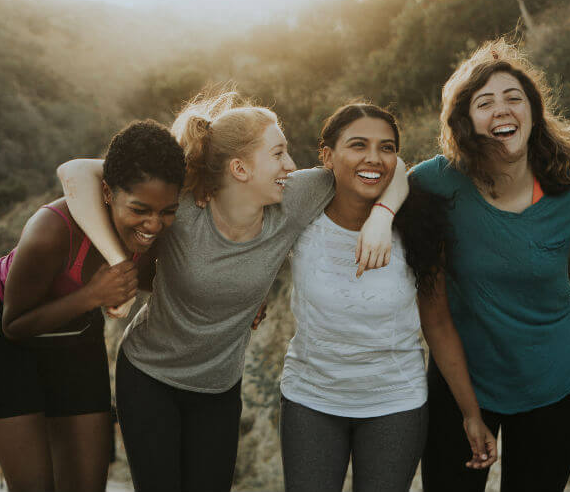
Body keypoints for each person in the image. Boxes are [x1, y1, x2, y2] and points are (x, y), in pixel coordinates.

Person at [56, 91, 406, 492]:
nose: (290, 166)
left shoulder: (294, 199)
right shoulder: (183, 205)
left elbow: (386, 168)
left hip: (219, 389)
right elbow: (75, 172)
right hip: (149, 377)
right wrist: (119, 262)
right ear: (239, 168)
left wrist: (382, 217)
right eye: (278, 154)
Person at [401, 41, 570, 491]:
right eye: (485, 102)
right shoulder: (438, 182)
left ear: (533, 112)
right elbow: (382, 176)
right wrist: (382, 217)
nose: (501, 110)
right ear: (464, 121)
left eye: (513, 98)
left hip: (553, 389)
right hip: (460, 380)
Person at [279, 102, 497, 492]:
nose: (374, 159)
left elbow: (438, 323)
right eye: (358, 145)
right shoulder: (301, 214)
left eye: (387, 147)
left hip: (394, 404)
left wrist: (470, 413)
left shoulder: (419, 227)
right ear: (327, 156)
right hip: (310, 399)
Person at [0, 120, 186, 492]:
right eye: (140, 209)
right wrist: (92, 296)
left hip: (74, 337)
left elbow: (167, 280)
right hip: (2, 342)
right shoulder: (51, 230)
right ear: (108, 193)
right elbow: (13, 324)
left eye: (167, 211)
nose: (153, 224)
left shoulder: (154, 234)